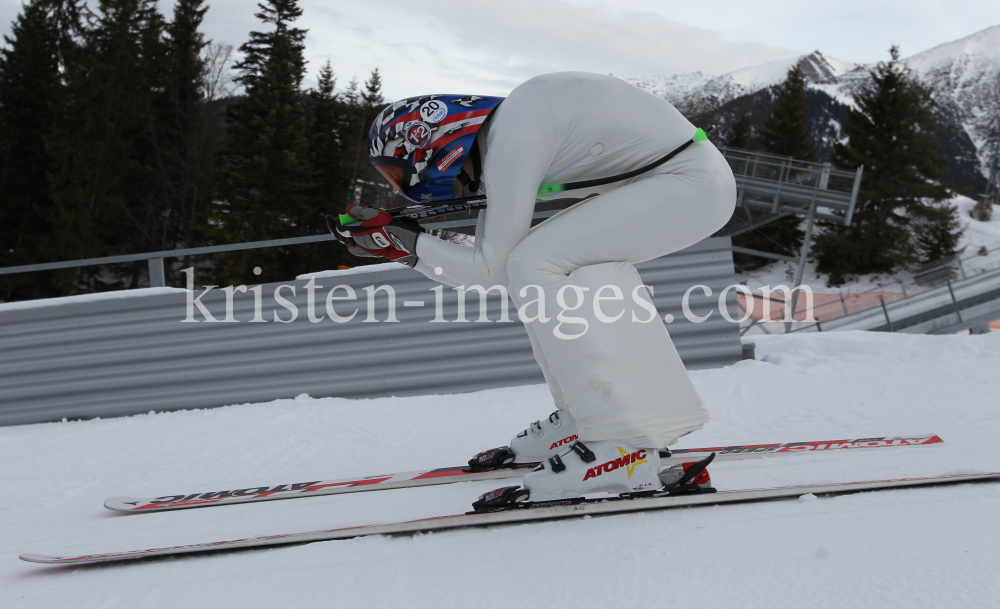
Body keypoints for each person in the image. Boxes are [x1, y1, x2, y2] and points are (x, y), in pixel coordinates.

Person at [333, 72, 736, 507]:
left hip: (690, 182)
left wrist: (407, 243)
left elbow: (491, 268)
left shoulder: (512, 139)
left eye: (396, 172)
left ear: (428, 145)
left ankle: (617, 444)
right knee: (532, 264)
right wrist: (407, 250)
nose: (398, 184)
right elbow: (499, 269)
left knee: (536, 262)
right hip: (683, 181)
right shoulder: (506, 137)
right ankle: (588, 418)